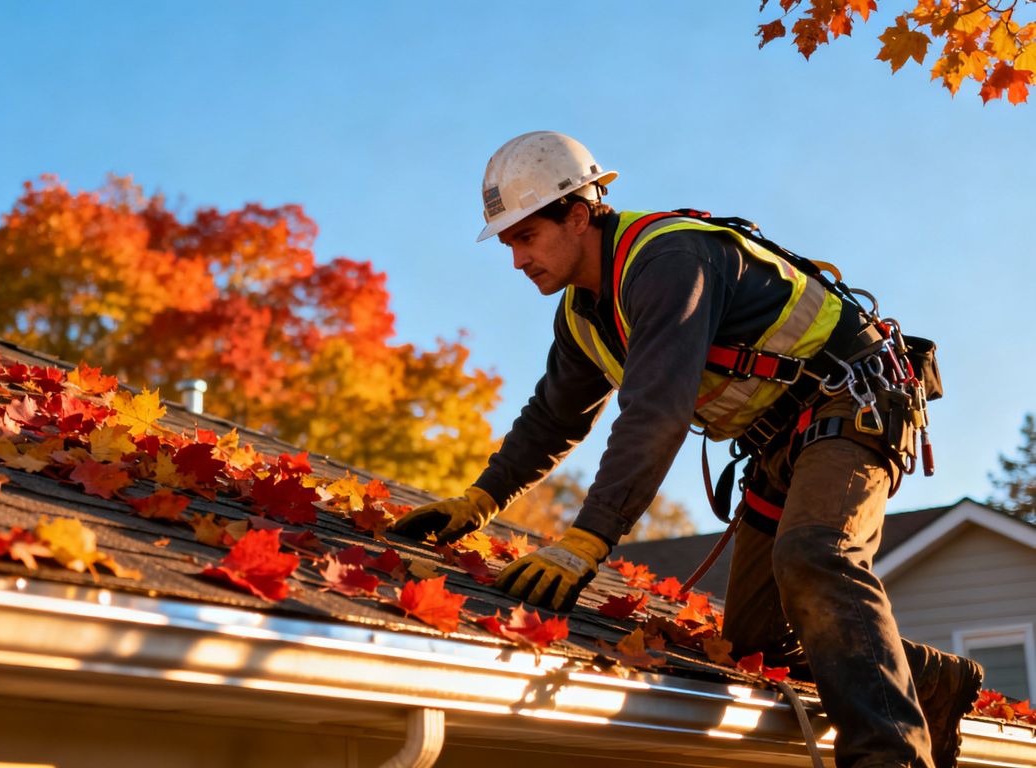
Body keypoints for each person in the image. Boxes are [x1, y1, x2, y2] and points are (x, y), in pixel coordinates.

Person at [391, 131, 983, 768]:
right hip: (777, 443)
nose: (516, 260)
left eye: (526, 237)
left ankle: (888, 758)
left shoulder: (667, 261)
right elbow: (551, 419)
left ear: (580, 214)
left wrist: (590, 537)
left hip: (853, 403)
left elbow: (655, 409)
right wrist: (482, 499)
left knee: (817, 555)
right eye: (507, 243)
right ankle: (930, 681)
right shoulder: (584, 315)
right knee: (760, 640)